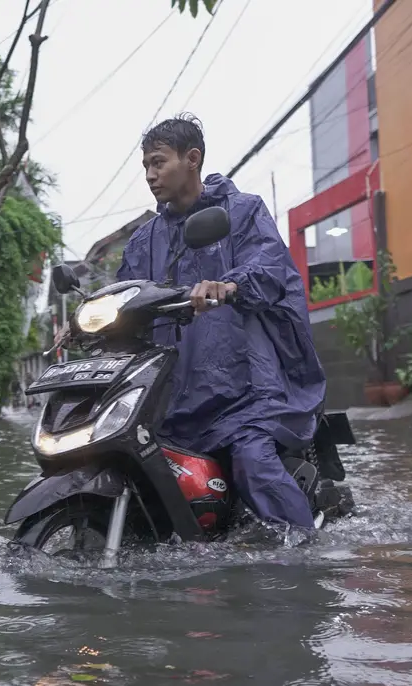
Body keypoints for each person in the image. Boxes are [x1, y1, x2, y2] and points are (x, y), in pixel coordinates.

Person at [114, 113, 326, 531]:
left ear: (192, 159)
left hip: (245, 389)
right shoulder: (144, 238)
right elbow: (126, 293)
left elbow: (269, 266)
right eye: (146, 166)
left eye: (158, 163)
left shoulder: (242, 212)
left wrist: (229, 284)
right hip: (173, 391)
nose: (150, 175)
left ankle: (303, 550)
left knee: (252, 461)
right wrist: (85, 321)